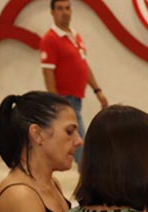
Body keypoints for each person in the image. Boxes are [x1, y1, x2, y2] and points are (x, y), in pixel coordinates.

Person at [40, 0, 108, 165]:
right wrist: (56, 102)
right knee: (79, 140)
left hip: (76, 98)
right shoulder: (50, 39)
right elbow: (48, 73)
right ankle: (87, 172)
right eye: (60, 8)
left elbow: (83, 65)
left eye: (67, 8)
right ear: (52, 12)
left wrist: (97, 90)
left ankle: (86, 171)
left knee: (77, 139)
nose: (64, 12)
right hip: (65, 99)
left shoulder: (75, 36)